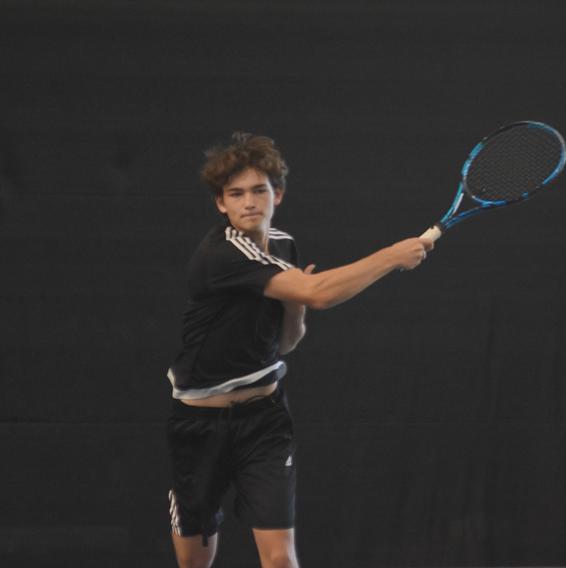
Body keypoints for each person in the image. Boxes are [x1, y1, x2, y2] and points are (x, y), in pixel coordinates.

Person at [166, 132, 432, 568]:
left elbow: (285, 341)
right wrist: (391, 256)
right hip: (199, 425)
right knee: (194, 563)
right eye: (236, 193)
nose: (249, 202)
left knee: (280, 559)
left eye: (259, 190)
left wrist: (295, 307)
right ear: (221, 204)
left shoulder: (284, 245)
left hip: (264, 421)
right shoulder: (222, 254)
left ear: (278, 194)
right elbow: (320, 292)